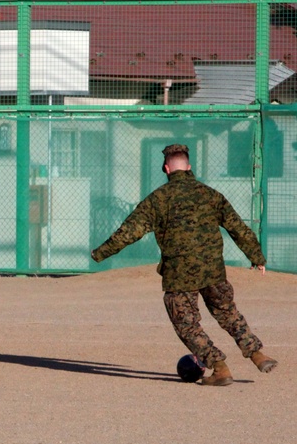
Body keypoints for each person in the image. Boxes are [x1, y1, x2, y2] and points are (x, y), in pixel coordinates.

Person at [91, 143, 277, 386]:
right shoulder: (211, 194)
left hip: (179, 276)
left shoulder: (157, 199)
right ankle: (256, 354)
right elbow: (237, 228)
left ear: (167, 168)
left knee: (186, 325)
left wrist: (100, 253)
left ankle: (219, 367)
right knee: (229, 314)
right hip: (213, 271)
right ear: (188, 167)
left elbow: (128, 232)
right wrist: (256, 256)